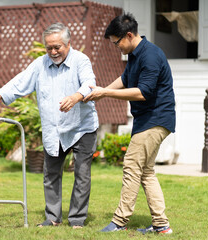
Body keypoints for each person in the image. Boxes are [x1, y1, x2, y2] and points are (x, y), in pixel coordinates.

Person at [0, 22, 99, 229]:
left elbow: (89, 83)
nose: (52, 51)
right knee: (50, 174)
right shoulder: (40, 64)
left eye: (57, 47)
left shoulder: (81, 60)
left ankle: (77, 219)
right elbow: (20, 81)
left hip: (81, 127)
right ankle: (53, 217)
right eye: (48, 47)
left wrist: (76, 97)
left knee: (82, 173)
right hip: (54, 129)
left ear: (68, 44)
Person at [83, 13, 175, 234]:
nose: (117, 47)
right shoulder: (135, 54)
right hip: (148, 120)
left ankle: (120, 221)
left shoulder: (151, 55)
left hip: (155, 118)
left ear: (129, 35)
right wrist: (103, 91)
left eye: (117, 43)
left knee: (132, 168)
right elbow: (125, 79)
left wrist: (106, 93)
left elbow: (144, 92)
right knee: (146, 172)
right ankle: (161, 226)